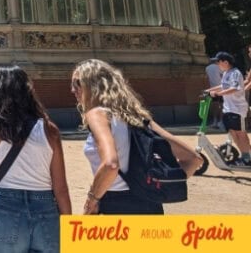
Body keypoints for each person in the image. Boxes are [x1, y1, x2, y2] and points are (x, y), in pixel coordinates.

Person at [71, 59, 201, 215]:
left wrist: (92, 199)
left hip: (114, 205)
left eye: (77, 83)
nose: (73, 90)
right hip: (150, 204)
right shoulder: (138, 118)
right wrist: (159, 185)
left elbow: (111, 165)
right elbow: (194, 159)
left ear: (93, 84)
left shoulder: (97, 114)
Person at [0, 66, 71, 251]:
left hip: (5, 208)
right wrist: (68, 225)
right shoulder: (50, 129)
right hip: (45, 209)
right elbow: (61, 188)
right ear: (28, 91)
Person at [205, 51, 251, 165]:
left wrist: (218, 94)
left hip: (237, 109)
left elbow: (235, 88)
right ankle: (244, 155)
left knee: (241, 133)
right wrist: (210, 90)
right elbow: (223, 86)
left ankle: (247, 158)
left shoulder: (235, 73)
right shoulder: (226, 73)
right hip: (228, 109)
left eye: (218, 62)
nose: (217, 65)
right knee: (233, 132)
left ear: (225, 62)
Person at [205, 58, 224, 130]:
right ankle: (221, 121)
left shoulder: (207, 68)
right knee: (222, 105)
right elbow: (222, 76)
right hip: (221, 88)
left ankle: (215, 121)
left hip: (212, 89)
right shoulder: (219, 67)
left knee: (215, 105)